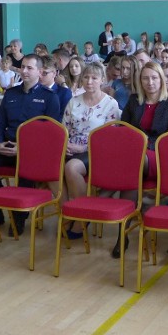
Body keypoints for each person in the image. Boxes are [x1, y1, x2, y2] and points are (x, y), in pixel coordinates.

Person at [0, 54, 61, 233]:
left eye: (30, 68)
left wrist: (24, 149)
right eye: (23, 67)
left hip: (32, 153)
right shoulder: (11, 94)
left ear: (40, 71)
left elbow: (50, 133)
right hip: (6, 146)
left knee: (27, 171)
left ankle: (18, 218)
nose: (25, 71)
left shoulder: (50, 97)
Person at [119, 62, 168, 257]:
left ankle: (124, 228)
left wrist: (144, 142)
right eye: (145, 78)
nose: (150, 82)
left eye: (154, 78)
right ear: (140, 81)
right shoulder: (133, 101)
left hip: (160, 155)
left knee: (132, 164)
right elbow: (125, 129)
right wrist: (137, 143)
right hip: (135, 152)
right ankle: (124, 233)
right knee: (133, 164)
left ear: (162, 80)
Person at [62, 62, 122, 238]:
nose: (89, 81)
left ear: (102, 80)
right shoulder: (73, 101)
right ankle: (66, 215)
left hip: (97, 150)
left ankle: (82, 216)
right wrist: (65, 144)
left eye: (94, 78)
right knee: (51, 169)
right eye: (86, 77)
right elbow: (63, 128)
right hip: (70, 147)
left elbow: (112, 137)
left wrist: (83, 147)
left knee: (71, 168)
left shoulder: (110, 104)